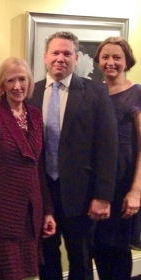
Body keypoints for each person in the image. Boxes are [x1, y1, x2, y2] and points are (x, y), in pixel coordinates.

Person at [28, 31, 118, 280]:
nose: (60, 58)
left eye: (67, 53)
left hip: (82, 195)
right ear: (45, 57)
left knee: (80, 260)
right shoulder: (30, 93)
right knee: (46, 259)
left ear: (76, 58)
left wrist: (102, 196)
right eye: (55, 52)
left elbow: (108, 147)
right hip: (42, 193)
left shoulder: (95, 93)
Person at [0, 57, 56, 280]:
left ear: (29, 83)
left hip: (31, 213)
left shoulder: (35, 116)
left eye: (22, 80)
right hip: (2, 215)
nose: (17, 86)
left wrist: (47, 211)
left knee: (28, 274)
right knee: (6, 274)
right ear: (2, 85)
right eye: (11, 80)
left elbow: (38, 168)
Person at [92, 37, 141, 280]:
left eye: (117, 57)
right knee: (98, 246)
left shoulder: (137, 93)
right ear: (98, 61)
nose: (111, 62)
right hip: (98, 184)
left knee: (117, 249)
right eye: (105, 57)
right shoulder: (94, 92)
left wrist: (136, 191)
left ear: (127, 61)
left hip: (124, 184)